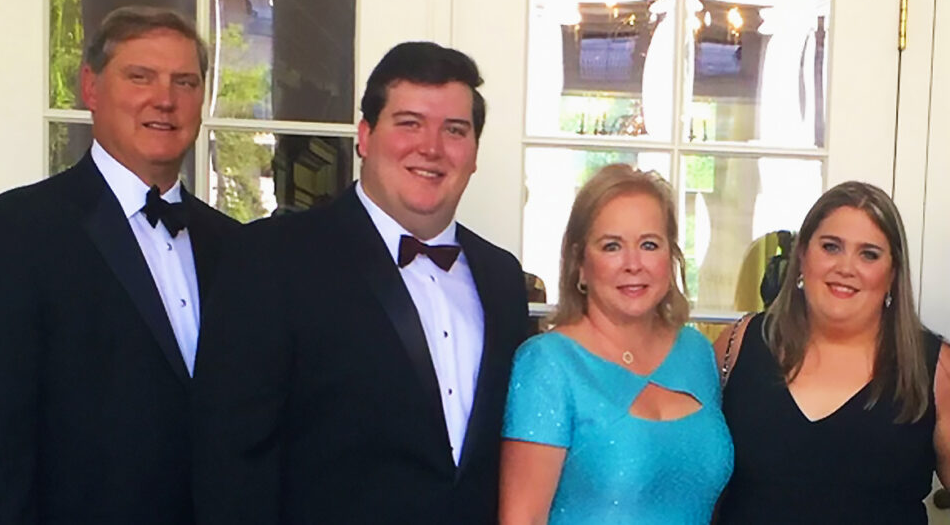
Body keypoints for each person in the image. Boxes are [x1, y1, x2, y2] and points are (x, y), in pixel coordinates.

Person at [192, 41, 530, 524]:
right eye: (409, 123)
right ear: (366, 136)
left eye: (454, 130)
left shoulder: (501, 278)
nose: (431, 148)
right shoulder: (272, 258)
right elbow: (229, 458)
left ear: (474, 152)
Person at [0, 6, 239, 524]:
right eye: (140, 76)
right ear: (90, 88)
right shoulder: (13, 233)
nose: (165, 99)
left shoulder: (235, 247)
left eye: (185, 82)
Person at [500, 164, 733, 525]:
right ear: (579, 263)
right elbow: (522, 518)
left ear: (670, 257)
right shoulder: (547, 363)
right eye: (612, 246)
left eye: (649, 245)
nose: (633, 264)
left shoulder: (696, 351)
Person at [715, 181, 950, 523]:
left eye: (869, 254)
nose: (846, 267)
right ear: (802, 256)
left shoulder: (935, 369)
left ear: (893, 272)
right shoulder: (738, 344)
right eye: (831, 247)